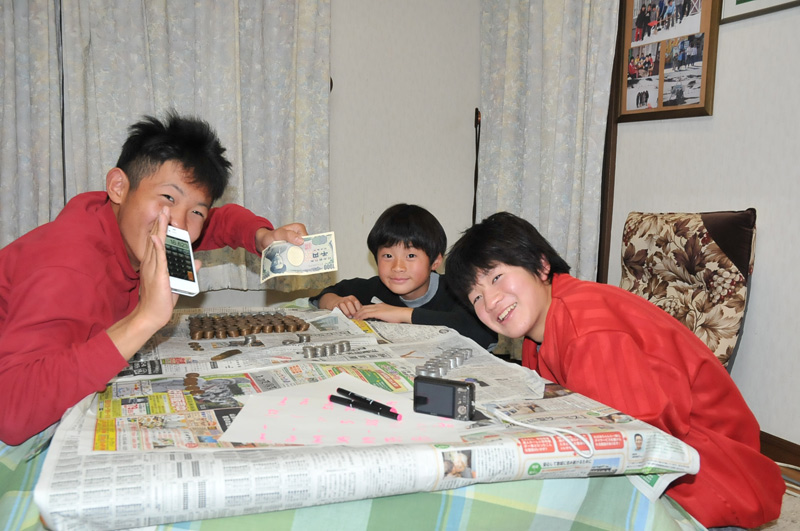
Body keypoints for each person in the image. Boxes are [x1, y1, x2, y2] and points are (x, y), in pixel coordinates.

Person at [445, 212, 784, 529]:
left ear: (541, 265)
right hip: (686, 462)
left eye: (497, 277)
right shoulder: (542, 329)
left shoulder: (587, 329)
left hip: (714, 477)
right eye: (476, 297)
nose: (491, 301)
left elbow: (629, 444)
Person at [0, 111, 307, 446]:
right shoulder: (67, 268)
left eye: (196, 211)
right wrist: (146, 318)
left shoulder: (133, 225)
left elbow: (220, 221)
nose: (179, 224)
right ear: (118, 187)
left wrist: (261, 237)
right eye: (168, 198)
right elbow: (11, 413)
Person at [310, 204, 496, 349]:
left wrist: (401, 314)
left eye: (411, 256)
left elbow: (480, 331)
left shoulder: (456, 290)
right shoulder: (375, 288)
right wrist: (335, 302)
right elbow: (326, 294)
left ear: (435, 261)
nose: (397, 267)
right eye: (387, 256)